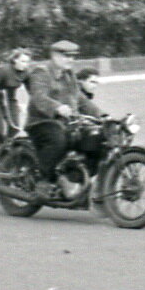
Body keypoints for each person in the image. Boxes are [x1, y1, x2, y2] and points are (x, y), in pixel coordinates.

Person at [24, 40, 102, 196]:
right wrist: (57, 107)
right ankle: (44, 181)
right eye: (66, 56)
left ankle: (74, 178)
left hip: (66, 122)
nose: (70, 60)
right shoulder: (41, 72)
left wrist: (102, 116)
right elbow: (39, 97)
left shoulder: (69, 75)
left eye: (73, 56)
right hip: (41, 122)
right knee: (58, 140)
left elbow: (80, 99)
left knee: (96, 139)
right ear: (54, 55)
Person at [0, 48, 33, 149]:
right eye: (23, 61)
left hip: (10, 99)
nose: (26, 64)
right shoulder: (4, 70)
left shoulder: (26, 73)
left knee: (15, 127)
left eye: (27, 62)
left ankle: (6, 148)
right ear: (15, 60)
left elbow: (32, 90)